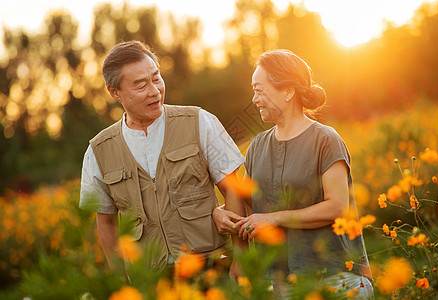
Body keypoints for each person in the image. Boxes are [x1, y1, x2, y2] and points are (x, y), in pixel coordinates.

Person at [79, 41, 246, 279]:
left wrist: (239, 260)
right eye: (140, 85)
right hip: (149, 279)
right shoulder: (98, 151)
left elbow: (234, 189)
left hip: (212, 267)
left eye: (156, 78)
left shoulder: (200, 121)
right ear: (114, 92)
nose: (154, 91)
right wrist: (120, 280)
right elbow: (106, 221)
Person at [233, 49, 373, 298]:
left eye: (259, 89)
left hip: (335, 280)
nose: (254, 99)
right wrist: (219, 213)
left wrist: (274, 218)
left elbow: (337, 207)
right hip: (280, 283)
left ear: (288, 91)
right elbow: (247, 205)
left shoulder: (326, 140)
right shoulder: (257, 146)